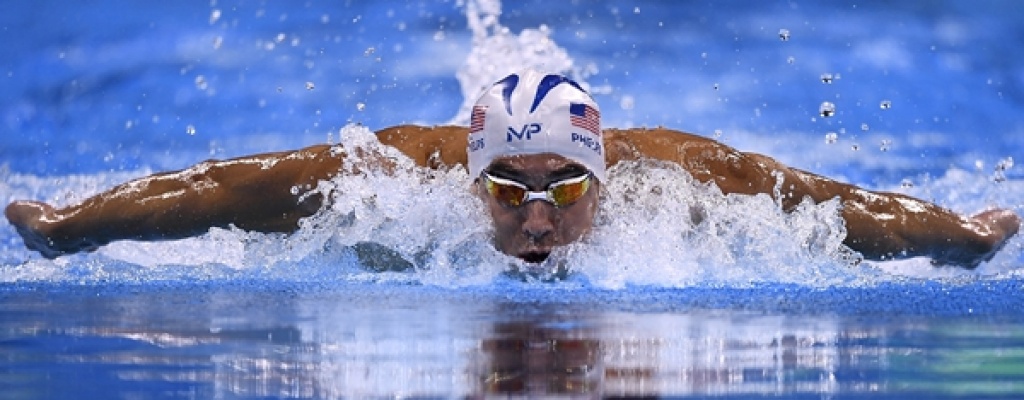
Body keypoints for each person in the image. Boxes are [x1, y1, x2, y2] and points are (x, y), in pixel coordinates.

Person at [5, 69, 1020, 269]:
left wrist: (958, 241)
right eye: (507, 190)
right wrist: (75, 226)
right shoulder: (393, 176)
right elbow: (216, 190)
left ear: (602, 180)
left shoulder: (684, 180)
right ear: (469, 182)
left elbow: (836, 208)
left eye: (564, 190)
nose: (536, 219)